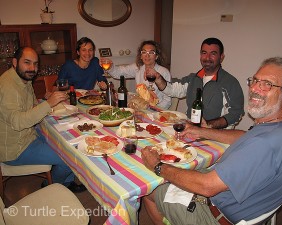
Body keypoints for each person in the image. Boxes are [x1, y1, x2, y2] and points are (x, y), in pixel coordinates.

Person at [141, 57, 282, 224]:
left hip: (215, 214)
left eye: (267, 84)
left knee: (150, 191)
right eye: (255, 80)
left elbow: (207, 186)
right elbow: (245, 136)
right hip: (243, 202)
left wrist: (158, 166)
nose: (253, 88)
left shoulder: (265, 145)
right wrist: (201, 131)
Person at [0, 47, 86, 193]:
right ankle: (54, 185)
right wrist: (48, 104)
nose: (32, 68)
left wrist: (46, 101)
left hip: (28, 135)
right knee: (69, 157)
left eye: (35, 64)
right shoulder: (8, 87)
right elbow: (17, 122)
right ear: (15, 62)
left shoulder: (23, 79)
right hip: (16, 148)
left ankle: (67, 180)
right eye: (27, 62)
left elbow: (32, 105)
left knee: (69, 138)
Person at [153, 37, 244, 129]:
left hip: (214, 135)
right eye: (204, 53)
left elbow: (236, 114)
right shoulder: (193, 78)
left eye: (213, 53)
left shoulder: (230, 83)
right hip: (190, 129)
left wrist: (209, 124)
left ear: (221, 57)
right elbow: (173, 89)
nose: (207, 57)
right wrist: (158, 78)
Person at [101, 40, 172, 109]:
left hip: (156, 109)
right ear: (141, 56)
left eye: (151, 52)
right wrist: (110, 67)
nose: (147, 56)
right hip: (141, 108)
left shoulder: (164, 72)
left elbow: (167, 100)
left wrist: (155, 111)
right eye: (144, 52)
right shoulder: (138, 68)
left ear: (156, 56)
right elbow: (119, 72)